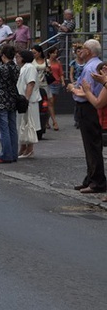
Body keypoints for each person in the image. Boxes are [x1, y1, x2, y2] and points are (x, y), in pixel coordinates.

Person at [66, 39, 106, 195]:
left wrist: (73, 89)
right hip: (87, 108)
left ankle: (97, 181)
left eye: (82, 49)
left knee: (92, 146)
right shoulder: (92, 65)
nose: (79, 51)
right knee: (90, 146)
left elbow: (87, 91)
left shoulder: (91, 67)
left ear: (88, 51)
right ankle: (91, 178)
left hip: (88, 109)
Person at [0, 45, 19, 164]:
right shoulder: (16, 67)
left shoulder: (3, 68)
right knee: (12, 128)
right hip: (12, 99)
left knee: (4, 129)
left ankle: (5, 155)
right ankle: (13, 153)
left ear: (3, 56)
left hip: (2, 100)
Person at [16, 50, 41, 159]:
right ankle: (22, 147)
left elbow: (30, 84)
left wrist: (25, 99)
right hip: (22, 100)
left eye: (18, 57)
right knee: (22, 124)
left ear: (23, 58)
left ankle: (29, 148)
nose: (16, 59)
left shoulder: (30, 67)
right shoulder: (23, 68)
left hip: (28, 101)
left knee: (29, 124)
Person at [32, 44, 51, 129]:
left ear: (39, 53)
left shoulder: (46, 61)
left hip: (44, 83)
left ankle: (47, 121)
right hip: (35, 84)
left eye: (35, 53)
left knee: (47, 103)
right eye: (32, 53)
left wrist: (48, 70)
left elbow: (50, 71)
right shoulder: (31, 61)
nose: (34, 54)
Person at [69, 42, 86, 128]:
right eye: (78, 51)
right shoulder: (73, 63)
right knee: (77, 102)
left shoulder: (86, 62)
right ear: (75, 53)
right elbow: (71, 74)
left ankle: (82, 118)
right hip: (76, 83)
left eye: (81, 51)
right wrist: (72, 83)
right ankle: (77, 119)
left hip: (85, 83)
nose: (80, 53)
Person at [47, 47, 64, 131]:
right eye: (53, 53)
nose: (55, 54)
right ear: (50, 53)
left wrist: (63, 81)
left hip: (57, 83)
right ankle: (54, 122)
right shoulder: (47, 62)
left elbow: (61, 73)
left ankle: (46, 121)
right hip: (49, 83)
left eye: (56, 53)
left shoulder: (58, 62)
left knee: (52, 104)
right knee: (51, 103)